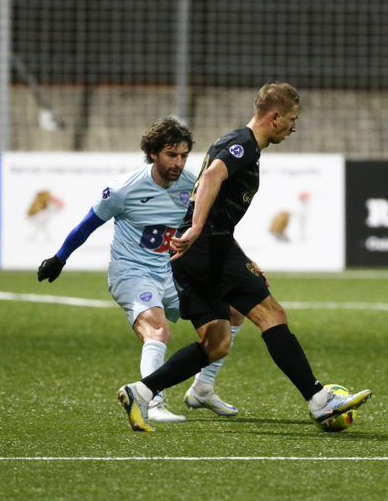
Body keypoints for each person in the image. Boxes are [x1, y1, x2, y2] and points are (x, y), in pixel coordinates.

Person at [116, 82, 372, 432]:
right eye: (292, 119)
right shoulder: (242, 145)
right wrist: (195, 227)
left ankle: (142, 391)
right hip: (206, 248)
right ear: (275, 116)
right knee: (272, 315)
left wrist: (238, 255)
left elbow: (218, 208)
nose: (294, 127)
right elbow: (210, 177)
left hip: (198, 254)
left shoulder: (242, 145)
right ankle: (319, 400)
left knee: (217, 343)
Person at [37, 117, 241, 423]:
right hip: (132, 272)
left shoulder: (192, 187)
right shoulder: (124, 190)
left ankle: (203, 389)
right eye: (172, 155)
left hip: (173, 273)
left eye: (184, 156)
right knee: (158, 330)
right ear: (153, 153)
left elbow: (211, 230)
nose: (179, 163)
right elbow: (86, 226)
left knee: (232, 313)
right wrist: (60, 258)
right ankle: (152, 401)